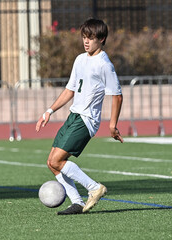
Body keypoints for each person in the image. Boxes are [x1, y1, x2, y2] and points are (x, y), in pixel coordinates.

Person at [36, 18, 123, 215]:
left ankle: (94, 187)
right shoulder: (80, 59)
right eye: (84, 37)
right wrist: (49, 111)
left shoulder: (104, 64)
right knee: (51, 162)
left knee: (58, 160)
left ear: (101, 39)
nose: (86, 41)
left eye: (90, 38)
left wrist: (112, 125)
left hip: (87, 120)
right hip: (73, 116)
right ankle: (76, 202)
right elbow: (70, 90)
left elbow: (117, 95)